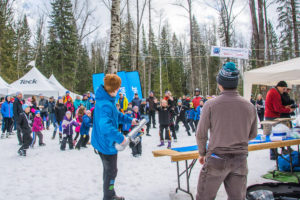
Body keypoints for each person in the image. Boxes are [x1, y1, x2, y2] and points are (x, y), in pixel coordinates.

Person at [196, 62, 257, 200]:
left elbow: (201, 134)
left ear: (220, 84)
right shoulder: (249, 106)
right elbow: (253, 134)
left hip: (216, 158)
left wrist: (202, 153)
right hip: (240, 159)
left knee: (204, 197)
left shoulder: (210, 105)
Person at [91, 74, 137, 200]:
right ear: (113, 89)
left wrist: (130, 120)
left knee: (109, 171)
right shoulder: (105, 104)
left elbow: (116, 115)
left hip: (103, 142)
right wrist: (120, 137)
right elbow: (105, 127)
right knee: (111, 172)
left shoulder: (106, 100)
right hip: (106, 144)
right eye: (118, 88)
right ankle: (108, 196)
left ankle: (109, 194)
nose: (119, 90)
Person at [265, 81, 295, 159]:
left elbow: (277, 106)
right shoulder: (275, 93)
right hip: (272, 117)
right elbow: (277, 108)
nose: (284, 91)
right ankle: (273, 154)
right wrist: (289, 110)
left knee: (274, 135)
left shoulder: (273, 91)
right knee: (274, 135)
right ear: (280, 87)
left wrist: (284, 107)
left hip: (271, 115)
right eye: (284, 89)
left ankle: (274, 153)